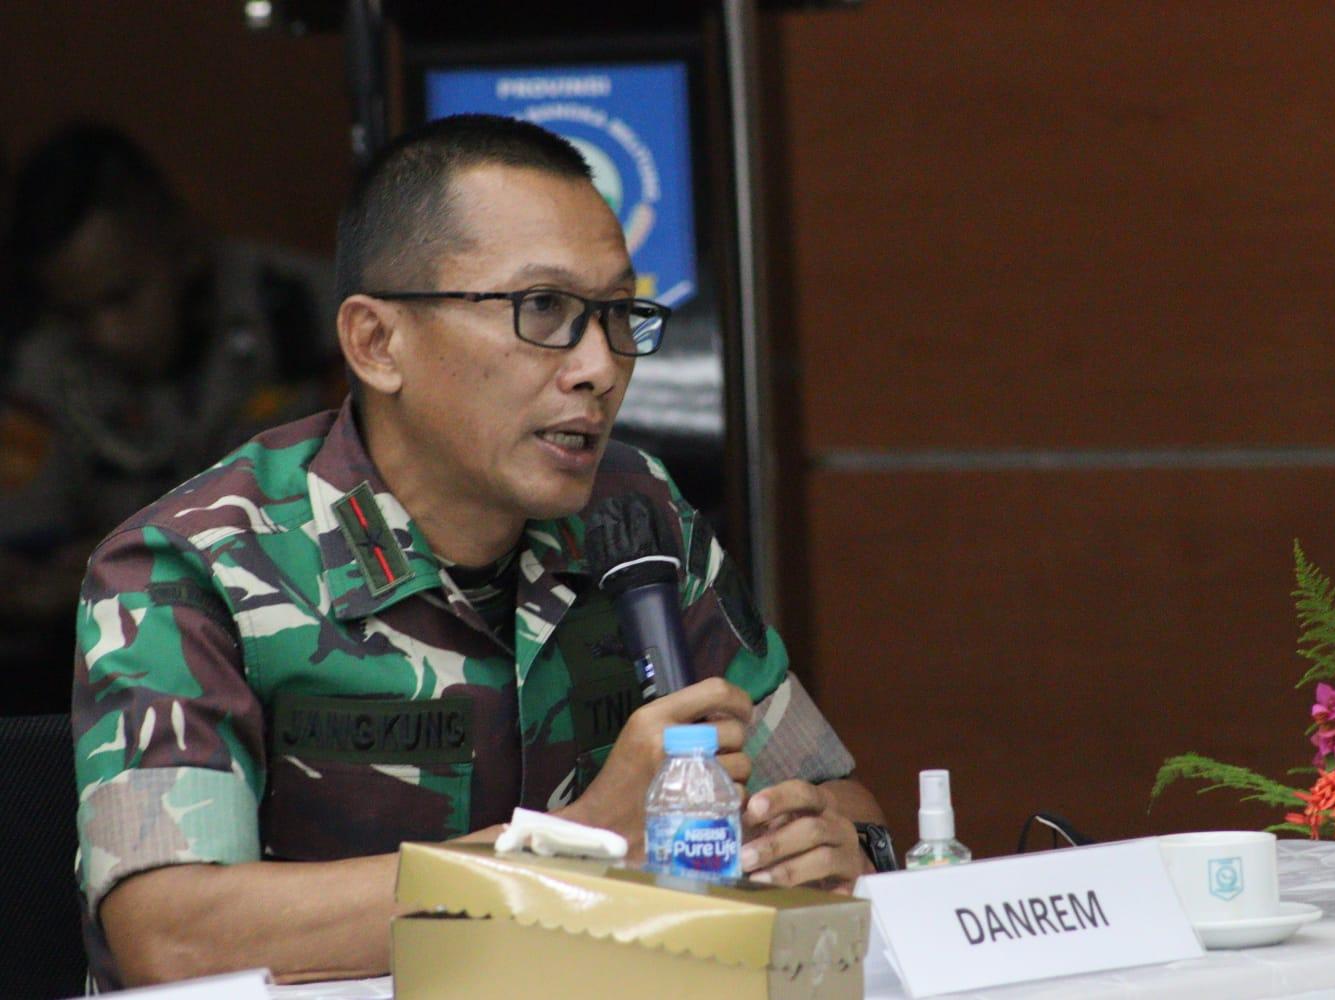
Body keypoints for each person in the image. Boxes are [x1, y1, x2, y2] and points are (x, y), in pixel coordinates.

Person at [72, 114, 886, 990]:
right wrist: (579, 851)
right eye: (545, 310)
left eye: (618, 314)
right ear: (377, 343)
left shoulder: (633, 515)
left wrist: (825, 845)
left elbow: (844, 803)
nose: (600, 366)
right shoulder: (193, 564)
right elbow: (170, 934)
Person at [1, 124, 339, 711]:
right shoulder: (39, 367)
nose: (106, 335)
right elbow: (23, 565)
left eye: (122, 297)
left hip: (303, 646)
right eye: (78, 315)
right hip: (117, 666)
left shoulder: (309, 314)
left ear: (182, 247)